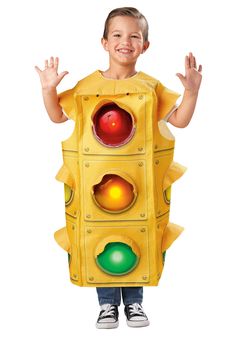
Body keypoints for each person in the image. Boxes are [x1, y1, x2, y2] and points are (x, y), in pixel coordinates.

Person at [35, 7, 202, 330]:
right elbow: (58, 116)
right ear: (104, 42)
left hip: (138, 184)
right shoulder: (87, 88)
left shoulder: (150, 88)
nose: (125, 41)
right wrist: (48, 90)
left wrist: (192, 92)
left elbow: (179, 120)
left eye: (134, 36)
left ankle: (135, 304)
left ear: (145, 46)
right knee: (104, 238)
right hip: (95, 188)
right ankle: (107, 306)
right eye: (117, 35)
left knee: (133, 237)